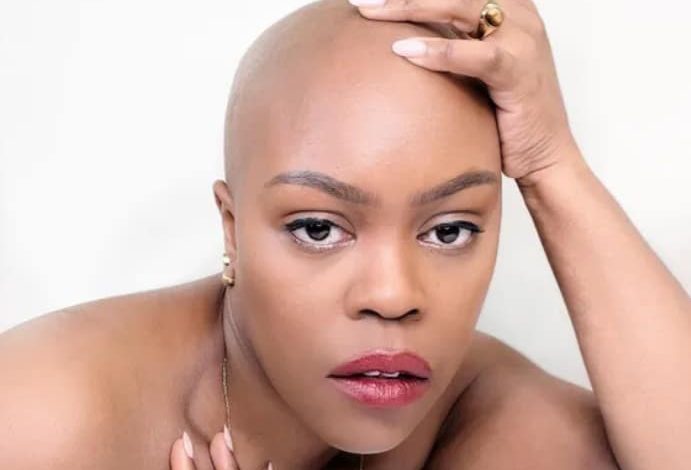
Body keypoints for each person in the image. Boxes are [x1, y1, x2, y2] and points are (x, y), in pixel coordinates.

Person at [1, 0, 688, 469]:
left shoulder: (478, 413)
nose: (392, 296)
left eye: (449, 230)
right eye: (318, 227)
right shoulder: (45, 415)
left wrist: (550, 164)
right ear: (232, 231)